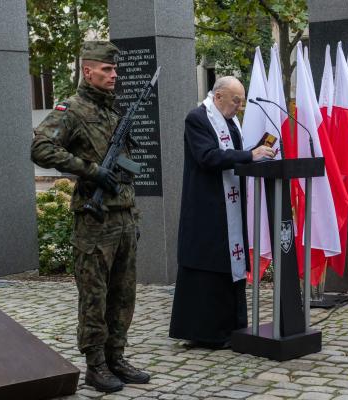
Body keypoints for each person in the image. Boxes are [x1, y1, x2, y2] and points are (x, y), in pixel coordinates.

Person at [31, 41, 149, 393]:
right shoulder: (73, 110)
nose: (114, 75)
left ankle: (116, 356)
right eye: (107, 70)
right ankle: (96, 364)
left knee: (123, 294)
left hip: (123, 217)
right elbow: (41, 147)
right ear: (88, 70)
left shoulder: (113, 112)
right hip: (95, 222)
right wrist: (89, 171)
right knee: (95, 296)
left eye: (115, 70)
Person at [169, 77, 275, 348]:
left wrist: (255, 153)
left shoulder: (230, 123)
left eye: (241, 101)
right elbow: (207, 157)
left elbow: (234, 155)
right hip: (206, 208)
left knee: (228, 266)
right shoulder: (197, 119)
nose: (239, 107)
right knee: (208, 267)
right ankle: (206, 332)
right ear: (218, 97)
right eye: (235, 101)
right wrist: (250, 156)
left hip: (229, 206)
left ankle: (231, 327)